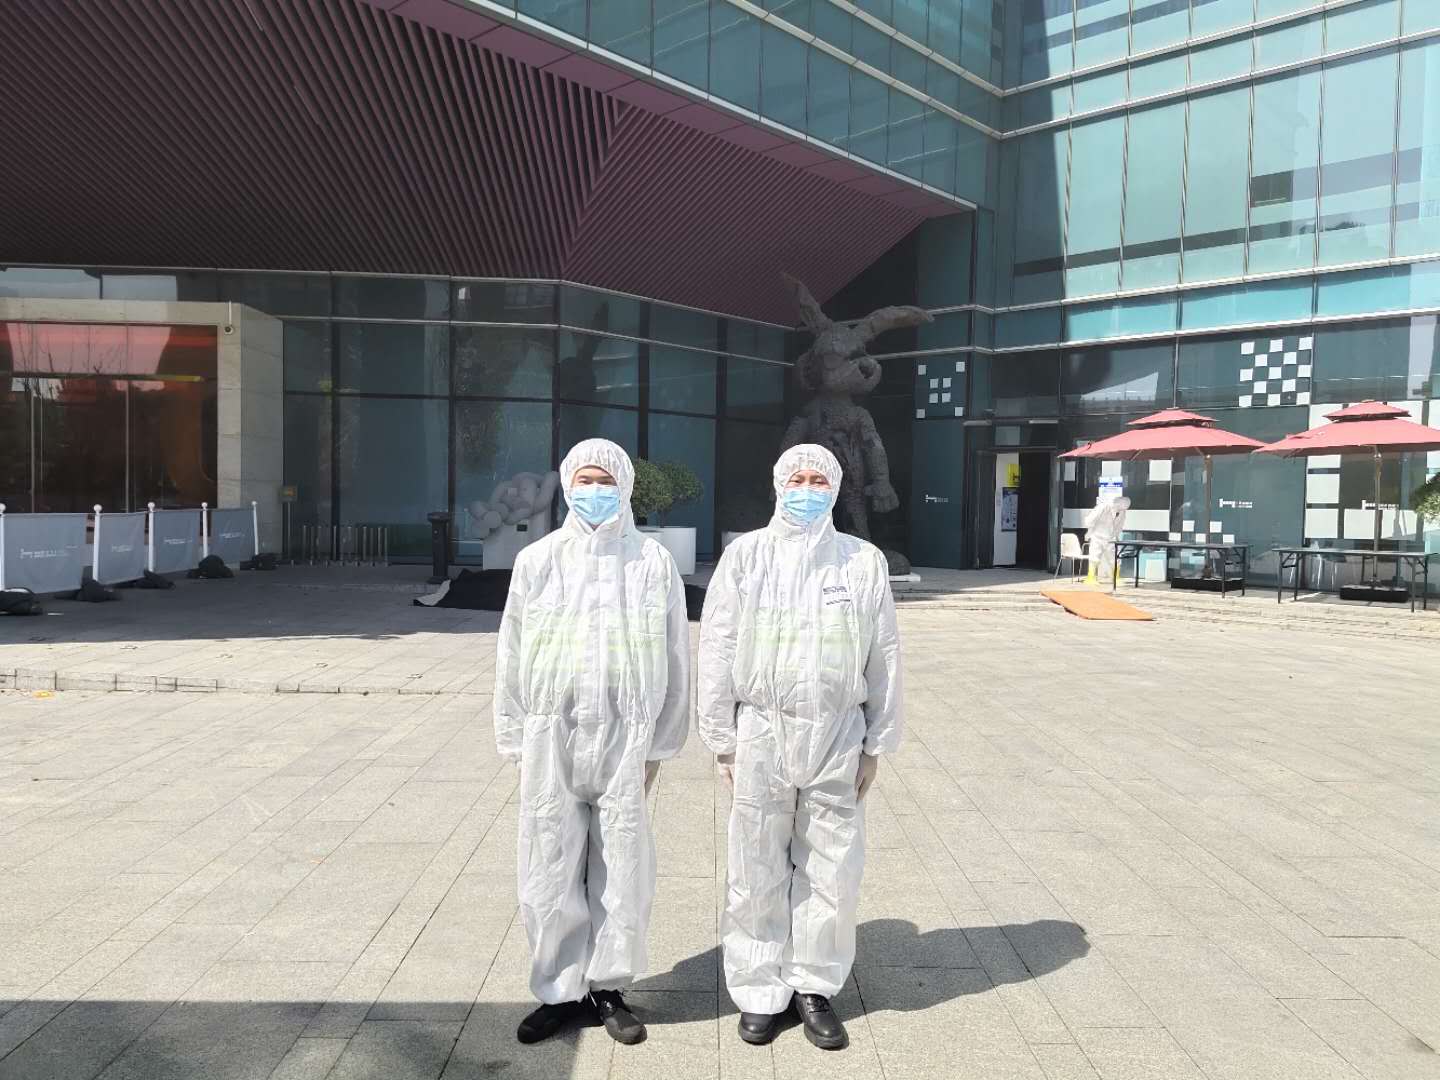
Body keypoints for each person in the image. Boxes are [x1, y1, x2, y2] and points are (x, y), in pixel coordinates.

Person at [698, 443, 903, 1051]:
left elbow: (884, 653)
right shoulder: (746, 556)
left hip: (838, 732)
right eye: (797, 479)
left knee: (832, 866)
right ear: (778, 484)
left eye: (819, 480)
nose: (807, 489)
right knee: (755, 862)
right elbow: (717, 645)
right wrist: (722, 738)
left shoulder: (861, 561)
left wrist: (876, 742)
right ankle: (759, 988)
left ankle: (814, 986)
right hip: (762, 729)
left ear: (834, 489)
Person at [494, 438, 691, 1047]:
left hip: (626, 736)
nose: (595, 490)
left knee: (622, 868)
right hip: (551, 732)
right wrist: (515, 736)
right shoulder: (538, 560)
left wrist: (660, 744)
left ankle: (608, 988)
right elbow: (512, 650)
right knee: (548, 865)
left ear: (625, 486)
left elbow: (676, 655)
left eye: (606, 480)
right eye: (584, 480)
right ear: (566, 485)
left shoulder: (652, 562)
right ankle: (559, 991)